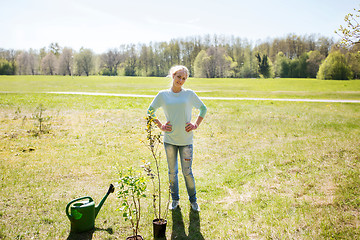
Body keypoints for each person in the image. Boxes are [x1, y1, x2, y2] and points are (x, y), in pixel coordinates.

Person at [147, 65, 207, 212]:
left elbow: (203, 109)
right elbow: (150, 111)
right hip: (170, 141)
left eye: (184, 78)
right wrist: (161, 125)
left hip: (186, 141)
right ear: (172, 75)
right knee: (172, 172)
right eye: (178, 77)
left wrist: (195, 124)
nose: (181, 80)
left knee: (187, 172)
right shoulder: (162, 95)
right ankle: (175, 200)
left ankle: (193, 201)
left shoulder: (189, 94)